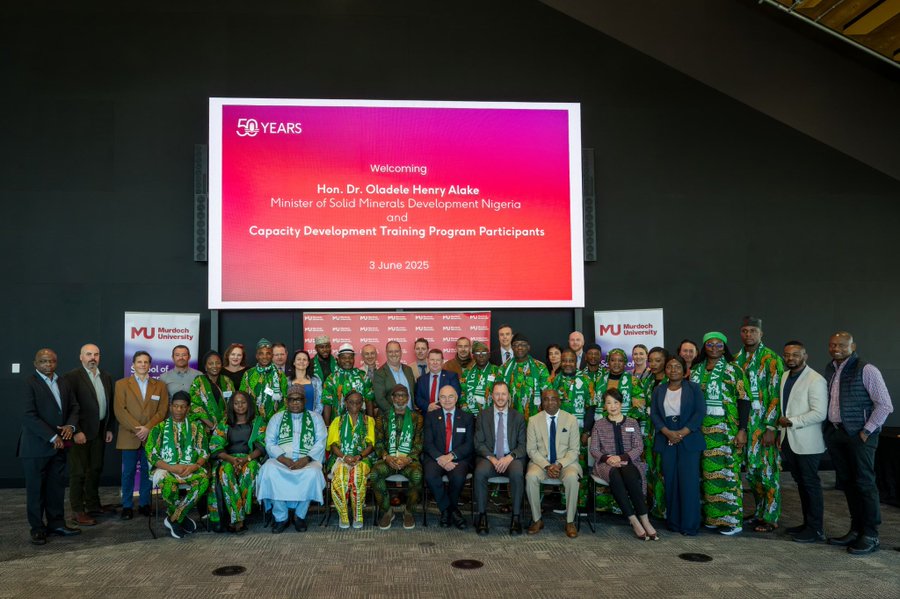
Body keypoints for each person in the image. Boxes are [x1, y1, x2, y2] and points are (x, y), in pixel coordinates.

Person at [823, 331, 894, 555]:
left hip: (860, 436)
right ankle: (856, 529)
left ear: (853, 347)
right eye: (833, 344)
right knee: (848, 483)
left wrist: (867, 430)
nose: (836, 348)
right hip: (838, 434)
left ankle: (871, 534)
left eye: (842, 345)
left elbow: (884, 405)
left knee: (864, 483)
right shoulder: (831, 369)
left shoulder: (867, 369)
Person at [19, 348, 81, 545]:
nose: (48, 365)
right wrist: (53, 436)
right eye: (44, 361)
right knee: (36, 490)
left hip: (59, 447)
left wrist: (71, 426)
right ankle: (37, 528)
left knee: (56, 488)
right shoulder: (28, 383)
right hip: (36, 447)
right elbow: (28, 415)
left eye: (52, 361)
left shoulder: (63, 381)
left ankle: (56, 524)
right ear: (35, 363)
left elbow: (74, 407)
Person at [690, 331, 749, 535]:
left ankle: (732, 520)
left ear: (725, 347)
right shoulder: (696, 369)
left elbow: (744, 400)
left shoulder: (734, 369)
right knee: (706, 475)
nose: (714, 348)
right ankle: (714, 517)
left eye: (719, 345)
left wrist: (742, 430)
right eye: (710, 344)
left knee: (727, 473)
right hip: (700, 429)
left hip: (726, 429)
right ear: (704, 346)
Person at [734, 316, 784, 533]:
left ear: (761, 334)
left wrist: (771, 427)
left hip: (763, 427)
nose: (748, 335)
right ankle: (759, 512)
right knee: (752, 474)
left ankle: (771, 517)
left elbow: (776, 394)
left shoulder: (771, 358)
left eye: (753, 331)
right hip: (745, 425)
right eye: (745, 330)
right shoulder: (736, 359)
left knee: (767, 473)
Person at [256, 385, 327, 533]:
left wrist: (306, 459)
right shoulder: (277, 418)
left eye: (299, 399)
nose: (295, 403)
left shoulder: (316, 418)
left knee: (313, 473)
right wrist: (283, 459)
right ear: (286, 401)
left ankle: (299, 516)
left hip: (307, 461)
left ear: (304, 400)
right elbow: (270, 442)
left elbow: (321, 442)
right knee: (269, 469)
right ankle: (281, 517)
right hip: (282, 461)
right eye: (292, 400)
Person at [777, 341, 827, 544]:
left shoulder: (816, 380)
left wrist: (791, 421)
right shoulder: (785, 376)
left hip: (807, 442)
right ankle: (807, 524)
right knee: (802, 484)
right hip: (789, 439)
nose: (791, 358)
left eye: (795, 354)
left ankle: (816, 529)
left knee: (810, 485)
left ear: (805, 355)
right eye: (787, 355)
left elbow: (819, 413)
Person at [590, 389, 658, 540]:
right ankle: (633, 520)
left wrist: (621, 457)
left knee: (630, 476)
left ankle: (645, 519)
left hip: (629, 461)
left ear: (621, 404)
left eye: (616, 402)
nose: (612, 406)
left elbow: (638, 447)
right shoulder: (599, 425)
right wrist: (608, 459)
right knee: (615, 476)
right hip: (605, 464)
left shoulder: (632, 422)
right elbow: (594, 449)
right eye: (609, 403)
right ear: (604, 406)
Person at [650, 356, 705, 536]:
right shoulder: (658, 390)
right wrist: (668, 432)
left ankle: (689, 525)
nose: (673, 370)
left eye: (677, 367)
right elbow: (655, 415)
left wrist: (681, 433)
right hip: (667, 437)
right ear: (665, 370)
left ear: (685, 370)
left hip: (688, 438)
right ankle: (673, 522)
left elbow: (699, 412)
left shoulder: (694, 388)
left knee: (688, 482)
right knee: (671, 481)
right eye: (669, 367)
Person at [63, 343, 116, 526]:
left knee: (95, 469)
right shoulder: (71, 377)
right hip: (80, 433)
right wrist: (75, 430)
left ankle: (93, 505)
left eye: (96, 354)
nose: (93, 357)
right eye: (88, 354)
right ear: (81, 357)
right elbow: (68, 407)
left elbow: (109, 405)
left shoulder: (106, 376)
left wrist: (109, 428)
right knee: (78, 473)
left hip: (100, 431)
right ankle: (77, 511)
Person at [145, 391, 209, 539]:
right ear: (170, 407)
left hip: (190, 468)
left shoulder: (197, 428)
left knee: (204, 480)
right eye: (175, 406)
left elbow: (204, 452)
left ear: (188, 408)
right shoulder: (158, 428)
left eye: (182, 407)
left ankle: (174, 518)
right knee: (168, 484)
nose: (179, 410)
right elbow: (151, 454)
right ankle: (180, 517)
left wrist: (193, 467)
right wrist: (171, 467)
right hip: (165, 469)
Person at [115, 351, 169, 520]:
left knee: (148, 472)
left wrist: (147, 428)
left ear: (150, 365)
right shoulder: (122, 384)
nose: (143, 365)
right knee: (128, 472)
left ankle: (145, 504)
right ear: (133, 364)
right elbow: (120, 410)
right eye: (139, 362)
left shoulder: (159, 385)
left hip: (151, 435)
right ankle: (127, 506)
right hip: (129, 435)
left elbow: (162, 411)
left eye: (146, 362)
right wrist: (138, 429)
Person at [525, 388, 582, 538]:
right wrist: (547, 465)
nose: (550, 402)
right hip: (541, 464)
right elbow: (531, 450)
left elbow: (574, 450)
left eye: (553, 398)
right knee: (531, 477)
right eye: (546, 399)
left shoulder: (571, 420)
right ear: (541, 402)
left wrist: (559, 464)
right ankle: (537, 519)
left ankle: (570, 521)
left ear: (559, 401)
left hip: (566, 464)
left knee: (571, 478)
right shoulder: (533, 420)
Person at [473, 381, 527, 535]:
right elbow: (479, 443)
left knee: (517, 473)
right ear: (492, 396)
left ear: (509, 396)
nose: (500, 397)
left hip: (511, 458)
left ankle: (516, 517)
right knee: (480, 473)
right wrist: (493, 459)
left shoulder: (518, 417)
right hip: (489, 458)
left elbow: (523, 445)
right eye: (497, 394)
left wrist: (509, 458)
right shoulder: (483, 415)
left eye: (504, 394)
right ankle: (482, 516)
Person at [208, 391, 266, 533]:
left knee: (250, 470)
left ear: (249, 404)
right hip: (229, 459)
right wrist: (231, 459)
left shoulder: (257, 422)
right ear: (231, 405)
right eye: (236, 403)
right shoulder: (225, 422)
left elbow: (262, 445)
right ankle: (239, 518)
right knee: (225, 471)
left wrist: (246, 459)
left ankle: (238, 516)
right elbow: (215, 445)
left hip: (250, 458)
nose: (240, 406)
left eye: (243, 402)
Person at [371, 385, 424, 530]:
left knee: (418, 475)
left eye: (403, 396)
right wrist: (386, 457)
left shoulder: (417, 418)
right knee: (375, 473)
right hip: (388, 460)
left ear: (408, 398)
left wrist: (408, 458)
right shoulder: (382, 418)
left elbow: (419, 443)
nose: (400, 399)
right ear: (392, 398)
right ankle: (387, 511)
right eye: (397, 396)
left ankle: (409, 511)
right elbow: (379, 442)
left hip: (409, 461)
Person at [422, 385, 475, 529]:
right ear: (438, 399)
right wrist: (441, 458)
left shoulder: (467, 417)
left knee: (458, 477)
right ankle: (450, 510)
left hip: (458, 458)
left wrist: (451, 456)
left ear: (457, 398)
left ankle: (446, 512)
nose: (447, 400)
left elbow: (469, 444)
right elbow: (427, 443)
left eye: (450, 396)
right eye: (443, 397)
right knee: (431, 476)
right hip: (435, 458)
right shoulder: (431, 417)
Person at [550, 349, 593, 509]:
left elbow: (591, 407)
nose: (568, 364)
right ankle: (564, 502)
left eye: (571, 361)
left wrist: (587, 432)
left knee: (580, 466)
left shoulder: (586, 380)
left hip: (580, 432)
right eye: (565, 360)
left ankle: (580, 504)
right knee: (561, 462)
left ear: (576, 362)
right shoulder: (555, 380)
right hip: (560, 432)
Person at [326, 391, 375, 529]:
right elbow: (333, 445)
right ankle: (343, 514)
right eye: (351, 402)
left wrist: (358, 457)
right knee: (341, 477)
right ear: (346, 403)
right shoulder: (338, 421)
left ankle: (357, 514)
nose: (355, 405)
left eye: (358, 402)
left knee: (357, 476)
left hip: (362, 458)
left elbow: (371, 445)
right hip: (341, 458)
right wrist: (344, 457)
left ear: (362, 404)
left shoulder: (368, 421)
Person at [322, 343, 375, 425]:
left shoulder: (362, 376)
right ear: (338, 359)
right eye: (344, 358)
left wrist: (371, 423)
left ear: (354, 359)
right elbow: (327, 404)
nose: (347, 360)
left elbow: (369, 400)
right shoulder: (331, 379)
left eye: (350, 357)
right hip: (338, 424)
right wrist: (327, 426)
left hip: (361, 424)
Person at [499, 334, 550, 420]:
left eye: (523, 344)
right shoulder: (503, 368)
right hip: (510, 418)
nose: (519, 347)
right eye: (516, 345)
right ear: (512, 347)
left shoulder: (540, 367)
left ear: (528, 347)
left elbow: (547, 393)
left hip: (535, 418)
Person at [240, 338, 289, 421]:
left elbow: (285, 399)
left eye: (268, 353)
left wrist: (276, 419)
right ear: (256, 356)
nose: (265, 357)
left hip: (275, 421)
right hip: (253, 421)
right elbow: (242, 397)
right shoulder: (248, 374)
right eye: (261, 353)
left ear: (272, 355)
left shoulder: (280, 375)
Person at [189, 350, 235, 435]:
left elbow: (232, 404)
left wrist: (222, 426)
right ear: (206, 367)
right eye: (210, 363)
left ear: (221, 365)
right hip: (203, 428)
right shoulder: (198, 381)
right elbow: (194, 405)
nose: (215, 366)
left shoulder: (227, 381)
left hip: (225, 428)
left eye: (218, 363)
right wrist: (212, 426)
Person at [373, 341, 416, 415]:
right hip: (390, 417)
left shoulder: (408, 370)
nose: (394, 354)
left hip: (410, 415)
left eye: (396, 351)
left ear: (401, 352)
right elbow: (380, 399)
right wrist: (394, 414)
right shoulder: (379, 373)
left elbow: (413, 391)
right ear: (386, 353)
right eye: (390, 352)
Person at [414, 349, 462, 414]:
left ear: (442, 361)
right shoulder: (421, 379)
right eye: (432, 360)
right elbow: (417, 398)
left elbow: (456, 395)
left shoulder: (452, 376)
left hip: (447, 415)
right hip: (427, 416)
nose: (435, 362)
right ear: (428, 361)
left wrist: (436, 406)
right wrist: (428, 406)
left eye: (438, 360)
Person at [460, 341, 502, 415]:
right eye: (478, 353)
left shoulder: (496, 371)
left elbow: (501, 394)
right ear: (473, 356)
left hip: (490, 416)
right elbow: (462, 393)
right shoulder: (467, 372)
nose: (481, 356)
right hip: (469, 416)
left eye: (484, 353)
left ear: (489, 355)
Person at [287, 349, 323, 414]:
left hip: (312, 419)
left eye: (304, 359)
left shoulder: (316, 380)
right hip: (291, 419)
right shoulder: (287, 381)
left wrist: (313, 418)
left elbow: (320, 403)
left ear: (308, 363)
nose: (301, 361)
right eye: (299, 359)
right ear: (294, 362)